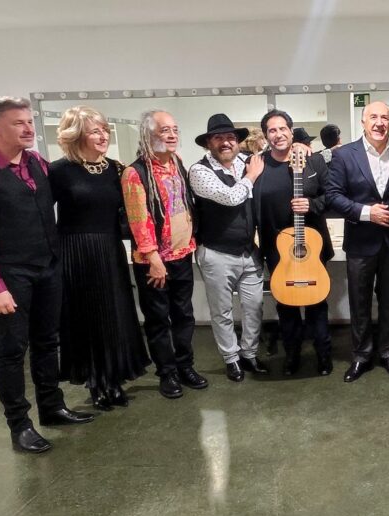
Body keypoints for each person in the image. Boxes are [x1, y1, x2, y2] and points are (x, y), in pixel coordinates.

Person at [0, 96, 93, 453]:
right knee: (12, 350)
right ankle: (19, 425)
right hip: (10, 274)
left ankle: (51, 407)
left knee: (48, 342)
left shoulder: (37, 163)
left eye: (29, 121)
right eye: (18, 122)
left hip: (48, 267)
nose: (28, 128)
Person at [48, 106, 149, 410]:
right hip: (76, 253)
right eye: (95, 130)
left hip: (109, 250)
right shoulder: (58, 171)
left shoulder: (116, 169)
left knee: (115, 314)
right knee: (87, 317)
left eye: (105, 129)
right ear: (77, 135)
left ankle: (114, 378)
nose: (103, 135)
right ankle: (96, 381)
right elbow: (40, 216)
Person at [326, 101, 389, 382]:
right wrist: (366, 213)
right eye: (373, 117)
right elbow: (333, 195)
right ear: (363, 121)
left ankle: (388, 351)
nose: (379, 122)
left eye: (384, 117)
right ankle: (362, 355)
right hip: (360, 242)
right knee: (359, 302)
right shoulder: (345, 155)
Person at [122, 110, 207, 399]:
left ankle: (185, 366)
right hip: (153, 262)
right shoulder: (135, 173)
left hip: (182, 254)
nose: (171, 135)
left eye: (174, 129)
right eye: (164, 130)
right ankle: (167, 373)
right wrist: (153, 258)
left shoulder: (177, 163)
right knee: (158, 320)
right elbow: (138, 219)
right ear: (148, 135)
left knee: (184, 315)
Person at [254, 109, 333, 375]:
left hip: (311, 247)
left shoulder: (312, 161)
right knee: (286, 308)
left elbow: (331, 196)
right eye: (272, 131)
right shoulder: (257, 164)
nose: (278, 135)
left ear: (291, 130)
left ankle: (324, 356)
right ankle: (292, 356)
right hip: (277, 250)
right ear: (266, 136)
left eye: (282, 129)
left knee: (316, 304)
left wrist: (311, 204)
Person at [189, 114, 266, 382]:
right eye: (219, 138)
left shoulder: (247, 162)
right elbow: (231, 197)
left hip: (249, 250)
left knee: (254, 306)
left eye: (231, 137)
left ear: (238, 142)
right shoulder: (199, 171)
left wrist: (300, 148)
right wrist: (252, 177)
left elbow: (275, 158)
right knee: (222, 311)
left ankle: (249, 353)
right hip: (217, 252)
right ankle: (231, 359)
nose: (226, 142)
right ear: (208, 143)